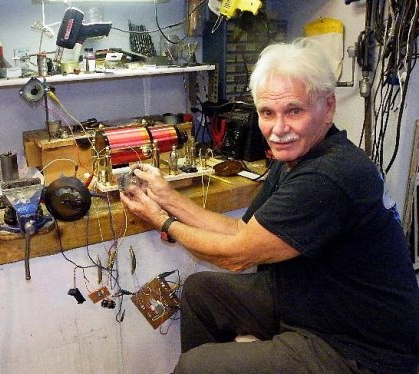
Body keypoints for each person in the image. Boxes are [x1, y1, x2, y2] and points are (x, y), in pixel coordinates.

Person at [119, 38, 419, 374]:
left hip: (358, 348)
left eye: (294, 111)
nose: (278, 130)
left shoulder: (328, 174)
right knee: (200, 292)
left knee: (197, 366)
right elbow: (242, 231)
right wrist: (168, 198)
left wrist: (163, 221)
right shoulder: (294, 157)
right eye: (267, 113)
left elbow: (236, 255)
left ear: (328, 108)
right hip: (312, 301)